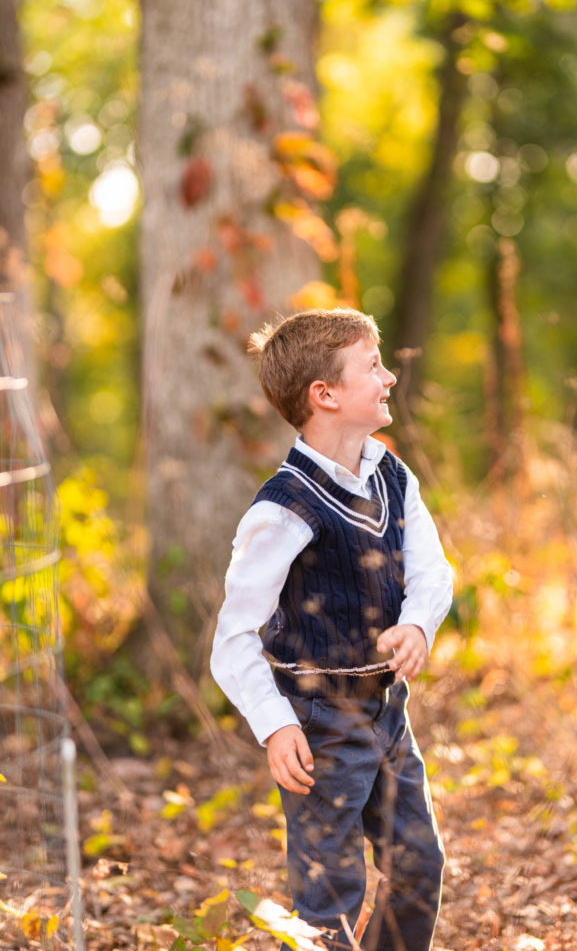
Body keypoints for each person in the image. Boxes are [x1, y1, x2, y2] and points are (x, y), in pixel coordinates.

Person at [210, 307, 453, 951]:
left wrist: (417, 626)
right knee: (329, 903)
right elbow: (232, 637)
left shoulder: (393, 477)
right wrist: (276, 723)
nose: (390, 377)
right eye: (373, 367)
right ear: (326, 395)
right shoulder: (282, 510)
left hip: (386, 712)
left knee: (418, 867)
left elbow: (434, 573)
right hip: (318, 725)